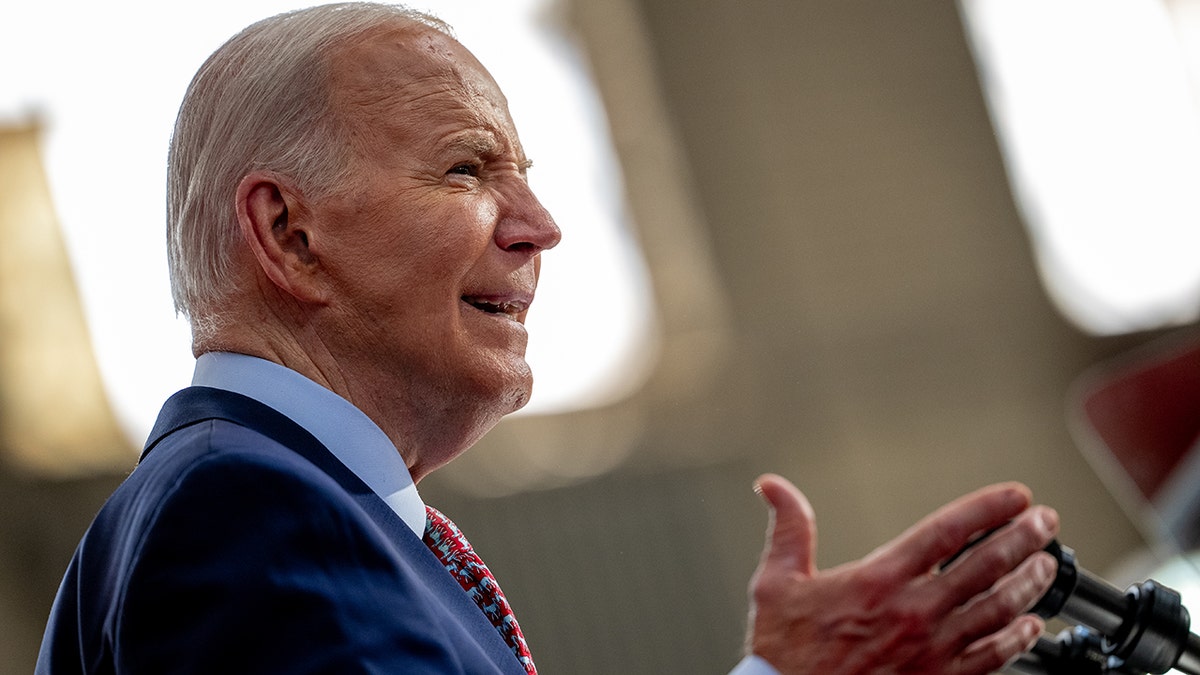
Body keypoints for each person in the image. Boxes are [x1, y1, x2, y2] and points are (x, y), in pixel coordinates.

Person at [35, 3, 1060, 673]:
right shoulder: (249, 511)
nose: (540, 225)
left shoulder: (272, 503)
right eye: (468, 170)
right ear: (291, 235)